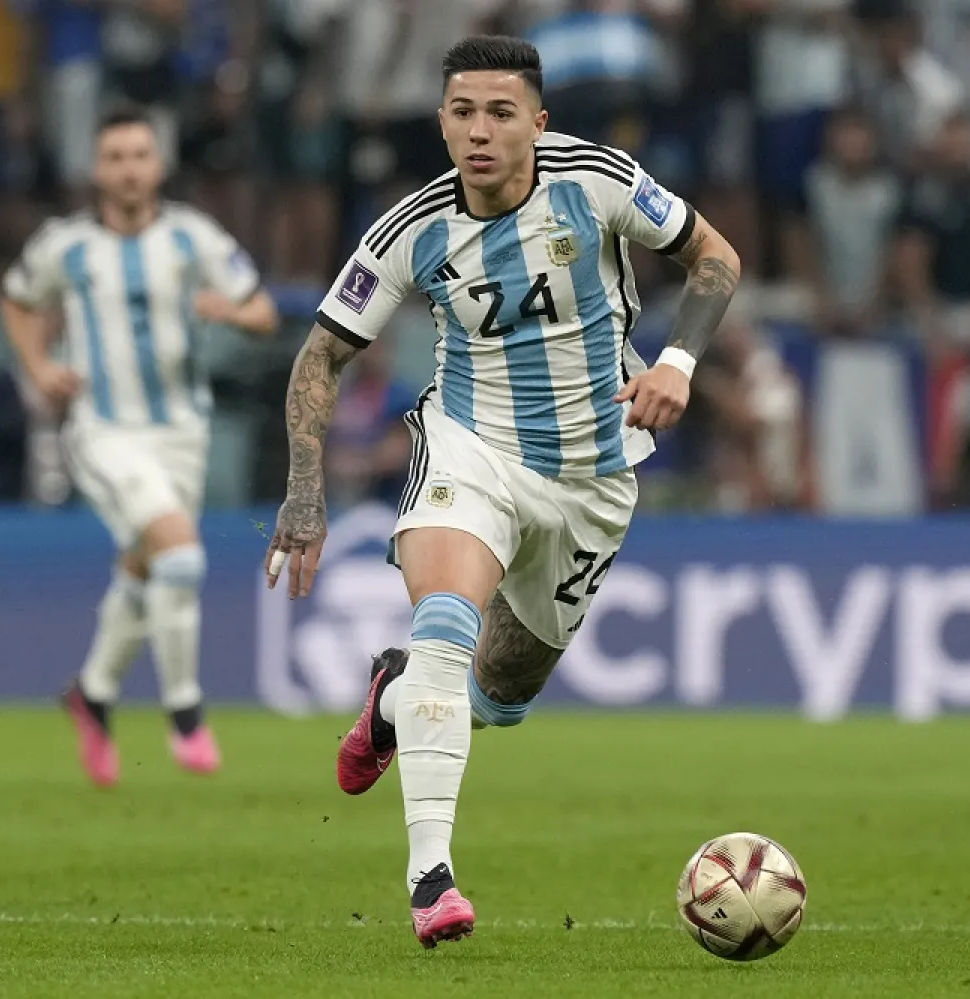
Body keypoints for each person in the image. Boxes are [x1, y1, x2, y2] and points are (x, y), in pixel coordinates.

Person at [264, 36, 741, 947]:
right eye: (461, 112)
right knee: (445, 623)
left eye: (500, 112)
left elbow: (717, 256)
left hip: (596, 477)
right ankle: (430, 877)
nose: (478, 132)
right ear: (441, 120)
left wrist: (679, 359)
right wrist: (304, 493)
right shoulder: (409, 230)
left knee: (499, 689)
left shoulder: (597, 181)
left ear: (537, 121)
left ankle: (394, 700)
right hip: (468, 449)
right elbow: (322, 351)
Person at [0, 106, 279, 785]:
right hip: (103, 429)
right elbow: (16, 300)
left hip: (182, 431)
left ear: (158, 166)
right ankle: (185, 708)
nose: (128, 168)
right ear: (96, 170)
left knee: (145, 565)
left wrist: (232, 312)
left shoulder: (192, 238)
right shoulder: (64, 245)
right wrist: (38, 367)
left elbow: (264, 311)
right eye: (115, 156)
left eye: (139, 155)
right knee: (180, 553)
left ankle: (92, 693)